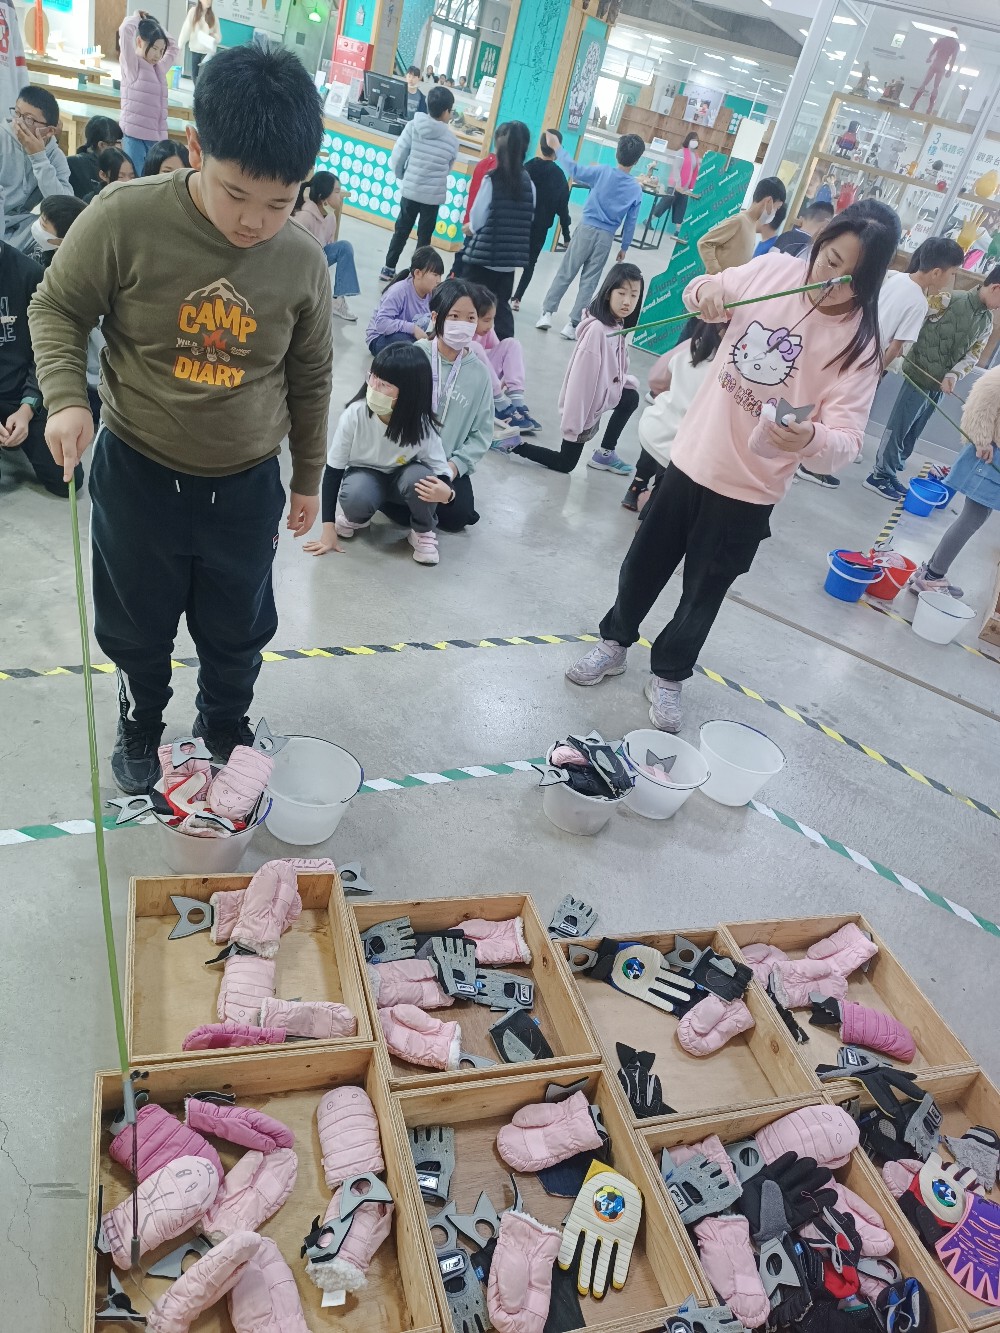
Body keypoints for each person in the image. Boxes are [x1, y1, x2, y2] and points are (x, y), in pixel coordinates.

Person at [29, 44, 333, 795]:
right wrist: (66, 398)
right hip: (139, 470)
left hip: (246, 484)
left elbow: (311, 374)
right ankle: (141, 718)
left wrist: (308, 476)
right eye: (237, 194)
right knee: (137, 623)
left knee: (239, 625)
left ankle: (224, 719)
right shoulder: (124, 217)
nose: (255, 221)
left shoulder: (302, 262)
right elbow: (57, 306)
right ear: (195, 147)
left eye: (280, 202)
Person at [564, 212, 896, 733]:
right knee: (642, 565)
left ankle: (669, 674)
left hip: (750, 490)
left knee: (704, 592)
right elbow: (698, 290)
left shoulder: (860, 346)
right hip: (691, 458)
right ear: (820, 243)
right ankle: (614, 642)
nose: (830, 280)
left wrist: (810, 438)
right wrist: (708, 294)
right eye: (828, 260)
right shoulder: (776, 270)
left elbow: (846, 444)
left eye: (848, 277)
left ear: (870, 282)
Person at [304, 343, 452, 566]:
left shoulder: (420, 426)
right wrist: (328, 528)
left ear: (409, 393)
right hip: (365, 474)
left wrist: (448, 493)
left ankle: (422, 531)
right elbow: (333, 470)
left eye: (384, 385)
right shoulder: (355, 415)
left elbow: (441, 470)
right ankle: (358, 517)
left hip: (403, 478)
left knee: (422, 480)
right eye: (373, 377)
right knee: (356, 495)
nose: (373, 387)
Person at [864, 267, 1000, 501]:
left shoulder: (987, 321)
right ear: (996, 288)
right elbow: (914, 318)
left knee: (913, 432)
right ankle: (878, 475)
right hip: (919, 376)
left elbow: (973, 355)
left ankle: (891, 471)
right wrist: (901, 346)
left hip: (939, 386)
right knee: (899, 428)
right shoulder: (948, 300)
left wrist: (953, 376)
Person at [497, 263, 643, 476]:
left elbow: (614, 368)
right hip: (584, 407)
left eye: (634, 295)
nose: (627, 301)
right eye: (621, 293)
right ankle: (514, 444)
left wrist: (623, 383)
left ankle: (605, 453)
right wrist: (575, 424)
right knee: (566, 463)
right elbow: (580, 384)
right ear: (607, 294)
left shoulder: (617, 325)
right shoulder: (597, 331)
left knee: (630, 398)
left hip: (602, 398)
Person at [381, 279, 492, 532]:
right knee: (400, 504)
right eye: (454, 316)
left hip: (446, 463)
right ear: (435, 316)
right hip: (404, 457)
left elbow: (482, 434)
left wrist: (453, 468)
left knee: (457, 517)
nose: (463, 324)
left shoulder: (480, 374)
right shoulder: (416, 354)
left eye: (470, 318)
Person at [537, 130, 644, 340]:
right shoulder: (635, 189)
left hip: (585, 230)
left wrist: (557, 146)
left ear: (617, 153)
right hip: (606, 238)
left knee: (566, 271)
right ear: (637, 160)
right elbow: (631, 222)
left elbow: (575, 171)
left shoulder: (602, 172)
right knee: (590, 281)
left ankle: (547, 313)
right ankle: (573, 324)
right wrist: (624, 247)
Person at [0, 235, 83, 497]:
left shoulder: (30, 274)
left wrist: (27, 409)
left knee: (66, 482)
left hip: (21, 393)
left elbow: (47, 349)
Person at [907, 367, 1000, 596]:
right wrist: (981, 440)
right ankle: (933, 576)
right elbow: (980, 402)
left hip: (991, 454)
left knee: (976, 517)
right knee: (973, 517)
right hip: (989, 454)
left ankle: (929, 573)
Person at [621, 319, 724, 511]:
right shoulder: (732, 367)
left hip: (656, 428)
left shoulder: (689, 346)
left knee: (664, 424)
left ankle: (637, 486)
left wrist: (673, 390)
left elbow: (656, 380)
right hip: (688, 447)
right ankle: (653, 502)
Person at [462, 120, 534, 341]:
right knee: (500, 310)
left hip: (482, 261)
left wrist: (469, 228)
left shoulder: (492, 179)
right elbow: (528, 218)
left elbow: (476, 220)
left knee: (467, 306)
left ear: (498, 146)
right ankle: (504, 351)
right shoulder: (529, 184)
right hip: (507, 265)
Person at [378, 85, 458, 282]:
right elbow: (448, 168)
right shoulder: (452, 140)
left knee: (401, 230)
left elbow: (398, 156)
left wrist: (402, 175)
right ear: (446, 111)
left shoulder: (413, 126)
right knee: (424, 238)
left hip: (411, 190)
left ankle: (388, 268)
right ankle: (417, 275)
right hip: (433, 197)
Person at [1, 87, 73, 250]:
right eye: (17, 113)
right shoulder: (2, 138)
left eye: (29, 119)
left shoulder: (55, 156)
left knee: (57, 235)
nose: (18, 123)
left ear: (49, 131)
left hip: (20, 225)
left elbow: (65, 208)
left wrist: (39, 158)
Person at [880, 237, 964, 370]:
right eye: (952, 273)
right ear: (936, 272)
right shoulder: (919, 303)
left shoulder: (897, 277)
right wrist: (875, 375)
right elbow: (895, 348)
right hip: (872, 360)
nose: (952, 279)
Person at [468, 285, 540, 437]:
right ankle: (500, 406)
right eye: (486, 320)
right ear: (471, 317)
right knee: (474, 348)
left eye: (492, 319)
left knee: (511, 344)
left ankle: (517, 403)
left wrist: (508, 372)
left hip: (485, 382)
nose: (490, 325)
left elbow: (500, 353)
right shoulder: (461, 332)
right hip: (467, 383)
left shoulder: (486, 330)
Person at [512, 129, 571, 311]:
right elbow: (563, 209)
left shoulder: (527, 167)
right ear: (557, 148)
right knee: (530, 263)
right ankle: (517, 298)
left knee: (509, 257)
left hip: (519, 223)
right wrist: (566, 235)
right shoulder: (559, 177)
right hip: (540, 227)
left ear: (540, 146)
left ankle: (502, 292)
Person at [291, 172, 361, 322]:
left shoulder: (330, 217)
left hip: (318, 259)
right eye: (336, 192)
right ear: (323, 197)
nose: (340, 196)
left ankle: (338, 300)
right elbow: (292, 250)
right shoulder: (304, 217)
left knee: (344, 247)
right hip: (300, 264)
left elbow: (328, 249)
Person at [118, 11, 178, 175]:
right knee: (136, 176)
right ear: (139, 42)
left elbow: (174, 48)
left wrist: (156, 25)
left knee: (152, 177)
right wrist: (137, 18)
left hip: (156, 137)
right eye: (154, 48)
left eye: (161, 50)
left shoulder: (159, 68)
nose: (158, 55)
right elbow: (125, 31)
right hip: (134, 136)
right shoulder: (132, 65)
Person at [697, 176, 786, 275]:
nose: (775, 212)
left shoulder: (752, 226)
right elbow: (704, 243)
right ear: (768, 201)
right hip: (718, 282)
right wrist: (717, 273)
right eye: (776, 208)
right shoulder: (740, 221)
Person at [365, 245, 444, 353]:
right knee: (411, 347)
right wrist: (413, 328)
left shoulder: (431, 294)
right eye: (435, 275)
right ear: (417, 273)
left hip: (409, 337)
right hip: (380, 338)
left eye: (440, 275)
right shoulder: (399, 291)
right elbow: (381, 323)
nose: (439, 280)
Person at [651, 131, 701, 239]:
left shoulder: (695, 156)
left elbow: (694, 172)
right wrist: (678, 183)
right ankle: (649, 220)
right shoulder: (681, 152)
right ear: (688, 140)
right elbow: (676, 168)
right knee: (665, 203)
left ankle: (678, 231)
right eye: (693, 139)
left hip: (685, 188)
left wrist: (691, 187)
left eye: (697, 140)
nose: (695, 142)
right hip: (674, 185)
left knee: (681, 208)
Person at [67, 116, 123, 199]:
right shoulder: (106, 166)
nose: (121, 147)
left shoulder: (70, 162)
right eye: (117, 143)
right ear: (102, 145)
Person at [28, 194, 88, 267]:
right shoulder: (48, 250)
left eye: (43, 225)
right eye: (40, 217)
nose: (37, 226)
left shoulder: (61, 268)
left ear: (63, 240)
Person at [177, 0, 218, 84]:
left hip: (208, 51)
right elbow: (186, 29)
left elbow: (217, 33)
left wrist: (214, 36)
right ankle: (197, 90)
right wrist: (180, 44)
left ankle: (199, 90)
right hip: (196, 49)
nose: (208, 2)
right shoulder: (193, 12)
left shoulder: (213, 15)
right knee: (194, 74)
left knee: (204, 75)